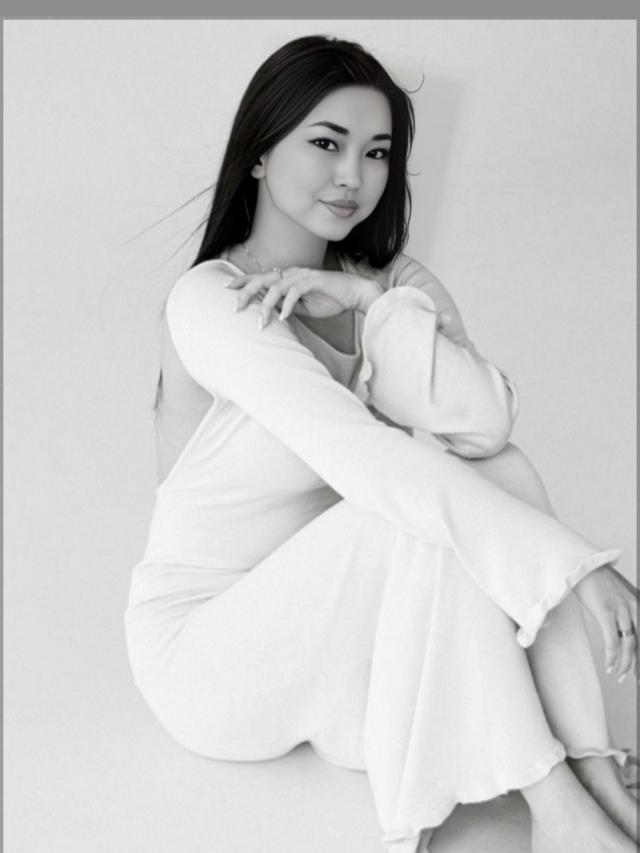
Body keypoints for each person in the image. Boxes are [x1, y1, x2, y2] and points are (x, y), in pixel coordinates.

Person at [124, 35, 638, 853]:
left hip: (345, 635)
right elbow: (366, 462)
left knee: (495, 471)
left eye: (375, 153)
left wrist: (368, 301)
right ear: (258, 153)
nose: (352, 177)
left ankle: (593, 766)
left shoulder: (388, 282)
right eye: (326, 144)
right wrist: (574, 564)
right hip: (210, 655)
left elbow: (485, 425)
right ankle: (561, 812)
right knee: (404, 503)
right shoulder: (211, 301)